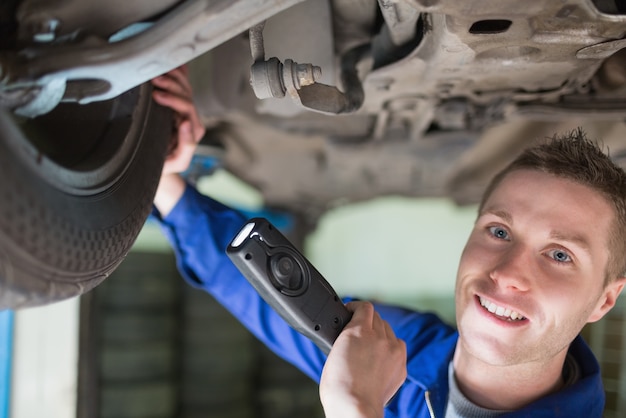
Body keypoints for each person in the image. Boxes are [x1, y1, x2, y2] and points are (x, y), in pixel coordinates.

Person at [150, 67, 626, 417]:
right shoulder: (400, 346)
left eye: (560, 255)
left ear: (604, 299)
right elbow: (266, 304)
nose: (507, 273)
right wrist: (165, 178)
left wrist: (356, 408)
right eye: (499, 231)